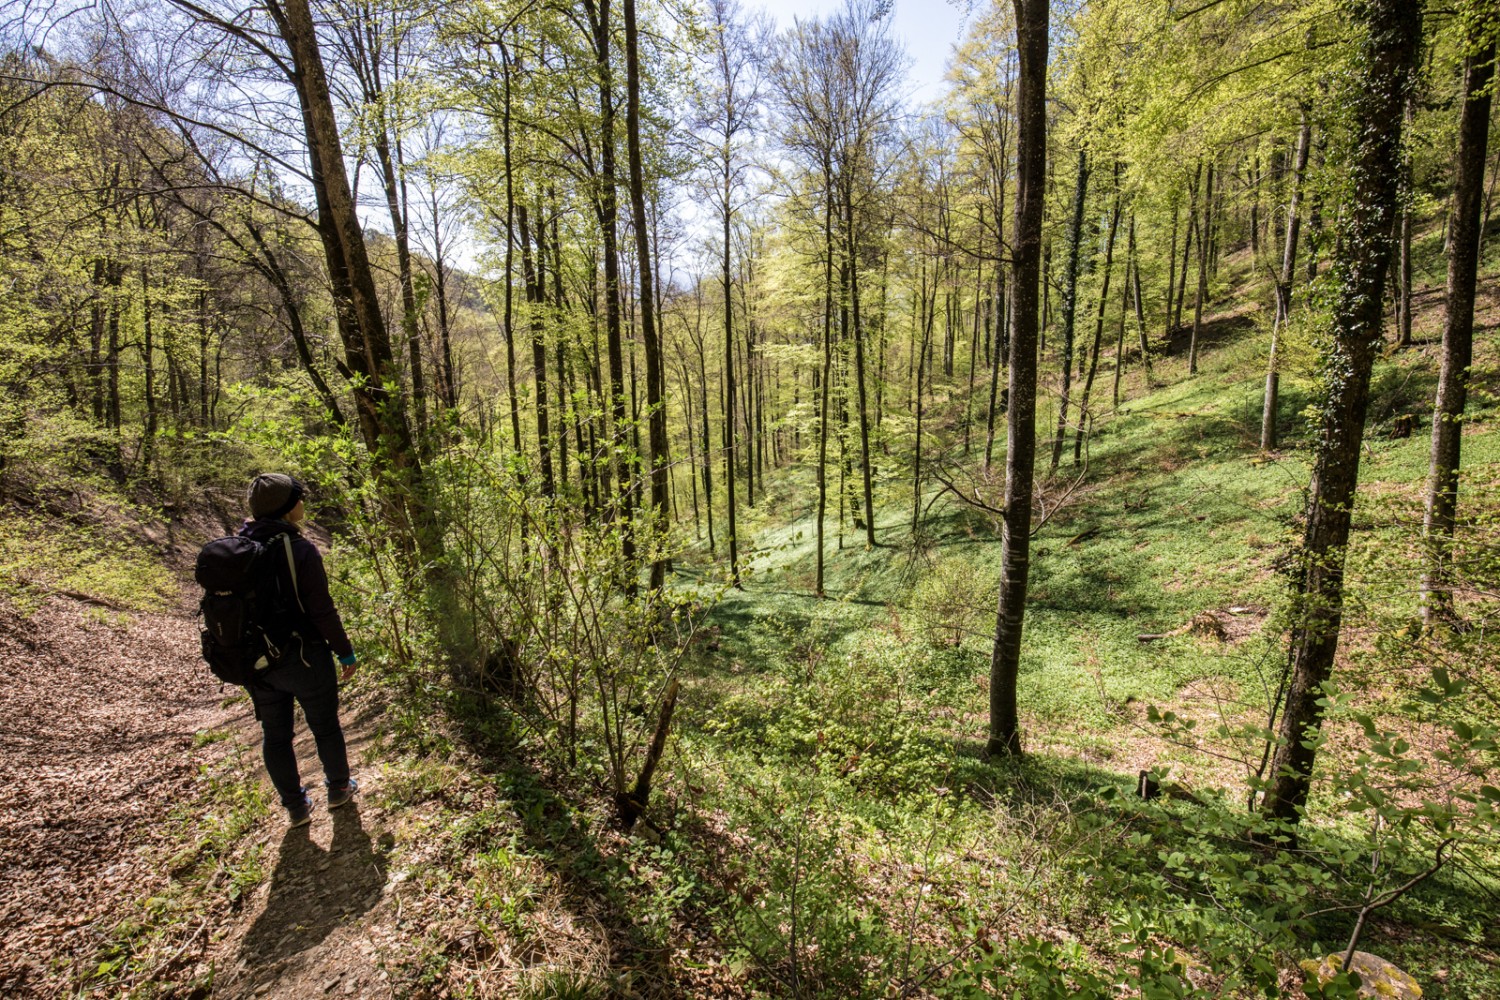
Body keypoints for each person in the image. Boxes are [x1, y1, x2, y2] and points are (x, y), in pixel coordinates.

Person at [242, 473, 360, 826]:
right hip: (304, 657)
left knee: (275, 736)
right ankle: (338, 790)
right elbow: (321, 610)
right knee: (324, 725)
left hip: (258, 662)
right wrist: (345, 652)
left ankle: (295, 808)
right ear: (288, 507)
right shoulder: (300, 550)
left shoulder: (240, 549)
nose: (303, 503)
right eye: (299, 498)